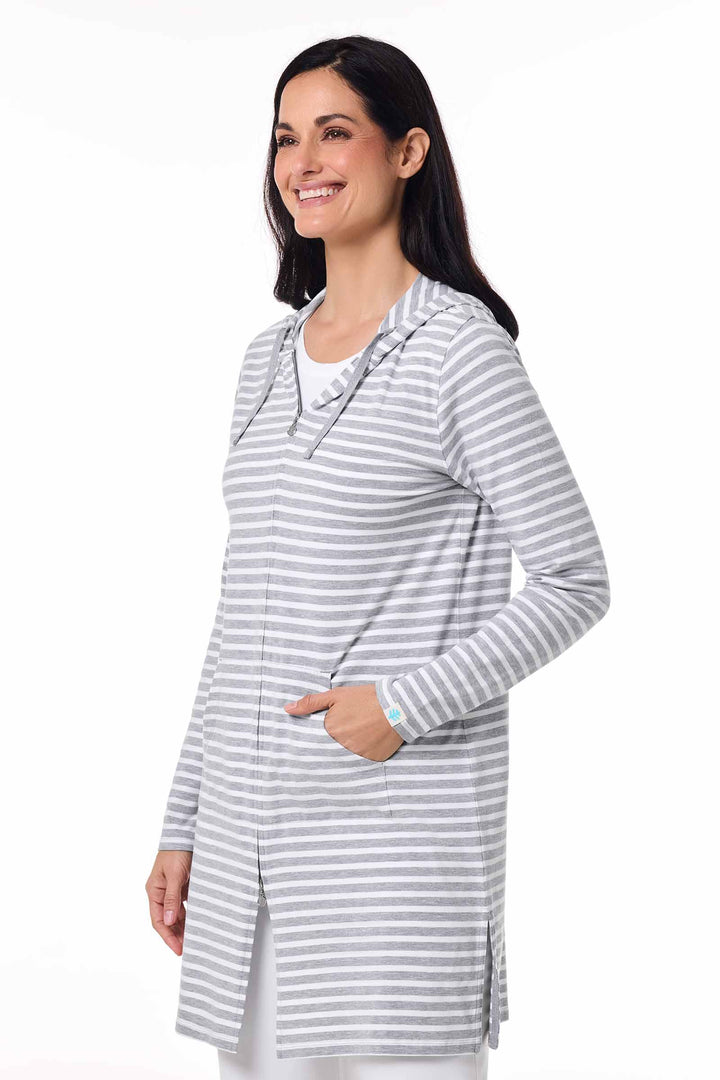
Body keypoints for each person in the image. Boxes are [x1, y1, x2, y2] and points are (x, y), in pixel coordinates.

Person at [145, 34, 610, 1080]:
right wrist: (186, 821)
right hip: (251, 861)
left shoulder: (459, 350)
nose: (303, 161)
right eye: (285, 138)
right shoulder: (265, 362)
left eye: (334, 133)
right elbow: (240, 614)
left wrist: (400, 705)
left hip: (395, 860)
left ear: (407, 152)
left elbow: (576, 578)